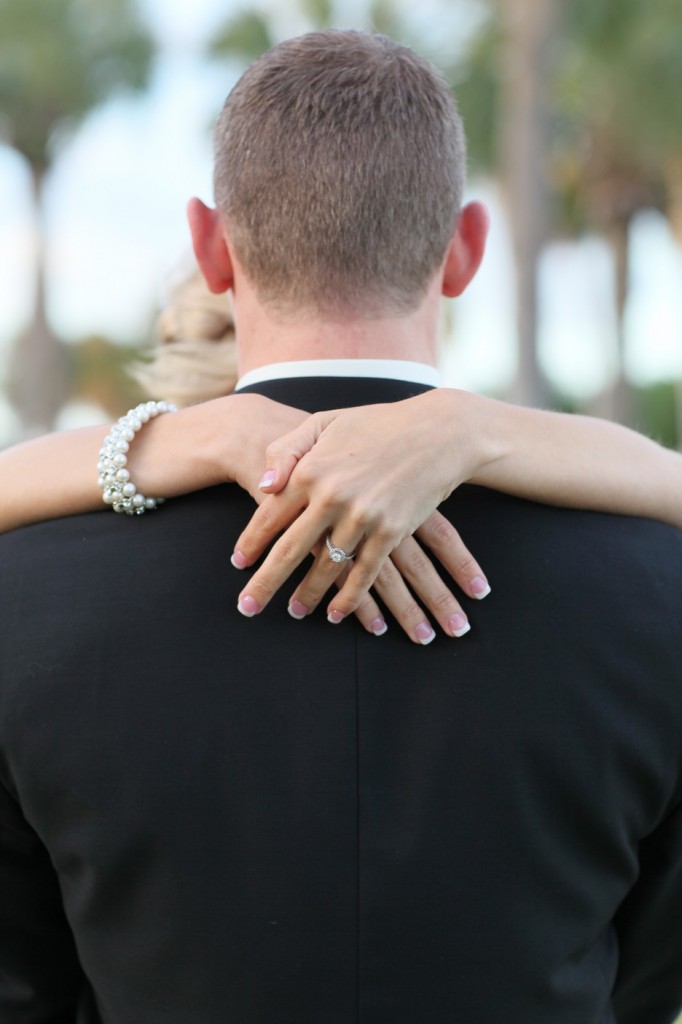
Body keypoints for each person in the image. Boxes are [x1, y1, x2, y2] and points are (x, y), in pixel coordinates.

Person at [0, 29, 680, 1023]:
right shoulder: (655, 587)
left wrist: (154, 443)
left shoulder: (28, 596)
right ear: (466, 247)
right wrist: (486, 428)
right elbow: (647, 975)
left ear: (209, 248)